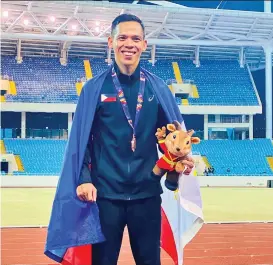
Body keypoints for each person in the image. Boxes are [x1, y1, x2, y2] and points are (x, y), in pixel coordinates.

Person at [45, 13, 201, 265]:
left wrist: (179, 160)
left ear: (144, 45)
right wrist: (84, 180)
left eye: (136, 38)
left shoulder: (156, 88)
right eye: (123, 37)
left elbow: (171, 139)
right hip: (105, 197)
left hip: (146, 196)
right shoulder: (94, 88)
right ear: (110, 42)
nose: (129, 44)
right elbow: (81, 140)